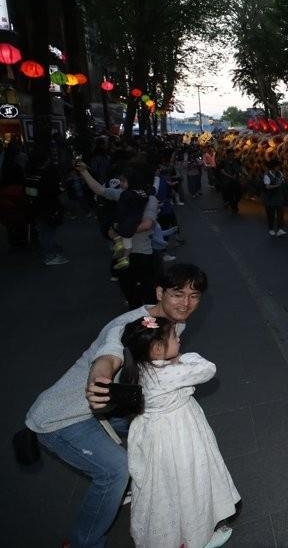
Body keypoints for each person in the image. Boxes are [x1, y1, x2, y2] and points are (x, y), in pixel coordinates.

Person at [24, 264, 207, 548]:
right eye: (177, 294)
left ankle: (152, 496)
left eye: (194, 296)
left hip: (112, 407)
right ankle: (83, 542)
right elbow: (111, 350)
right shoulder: (129, 325)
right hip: (63, 417)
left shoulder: (174, 321)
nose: (185, 303)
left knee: (162, 428)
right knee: (115, 471)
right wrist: (101, 374)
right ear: (160, 293)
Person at [119, 316, 239, 547]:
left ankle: (168, 535)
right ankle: (198, 537)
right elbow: (208, 369)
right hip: (180, 435)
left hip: (155, 438)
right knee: (190, 480)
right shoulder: (169, 372)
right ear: (156, 349)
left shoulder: (140, 370)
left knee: (163, 486)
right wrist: (182, 359)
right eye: (174, 336)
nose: (179, 338)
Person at [78, 161, 160, 308]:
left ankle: (149, 326)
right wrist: (84, 172)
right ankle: (138, 322)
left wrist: (118, 231)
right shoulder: (124, 195)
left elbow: (147, 224)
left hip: (141, 254)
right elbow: (100, 190)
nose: (120, 184)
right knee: (129, 291)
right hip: (122, 254)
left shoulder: (149, 199)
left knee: (148, 295)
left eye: (123, 181)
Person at [24, 150, 68, 265]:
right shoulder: (46, 174)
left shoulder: (30, 173)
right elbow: (53, 191)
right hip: (46, 208)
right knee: (47, 232)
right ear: (44, 160)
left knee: (43, 231)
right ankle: (49, 256)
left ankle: (50, 250)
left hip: (34, 207)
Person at [262, 158, 287, 237]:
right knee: (271, 214)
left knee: (280, 214)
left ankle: (280, 229)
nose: (279, 167)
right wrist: (277, 185)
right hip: (270, 198)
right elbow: (267, 186)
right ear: (273, 167)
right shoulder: (267, 175)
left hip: (279, 197)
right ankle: (271, 229)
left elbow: (283, 180)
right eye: (277, 166)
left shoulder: (280, 173)